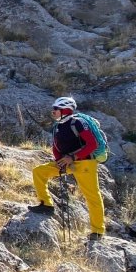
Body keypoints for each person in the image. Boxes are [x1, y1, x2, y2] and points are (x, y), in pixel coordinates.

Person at [29, 96, 106, 239]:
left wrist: (73, 157)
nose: (53, 112)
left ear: (65, 110)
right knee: (39, 171)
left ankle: (97, 231)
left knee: (92, 196)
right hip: (66, 162)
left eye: (56, 109)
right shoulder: (58, 126)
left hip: (85, 163)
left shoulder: (78, 122)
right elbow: (56, 147)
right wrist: (59, 161)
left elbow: (92, 144)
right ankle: (46, 204)